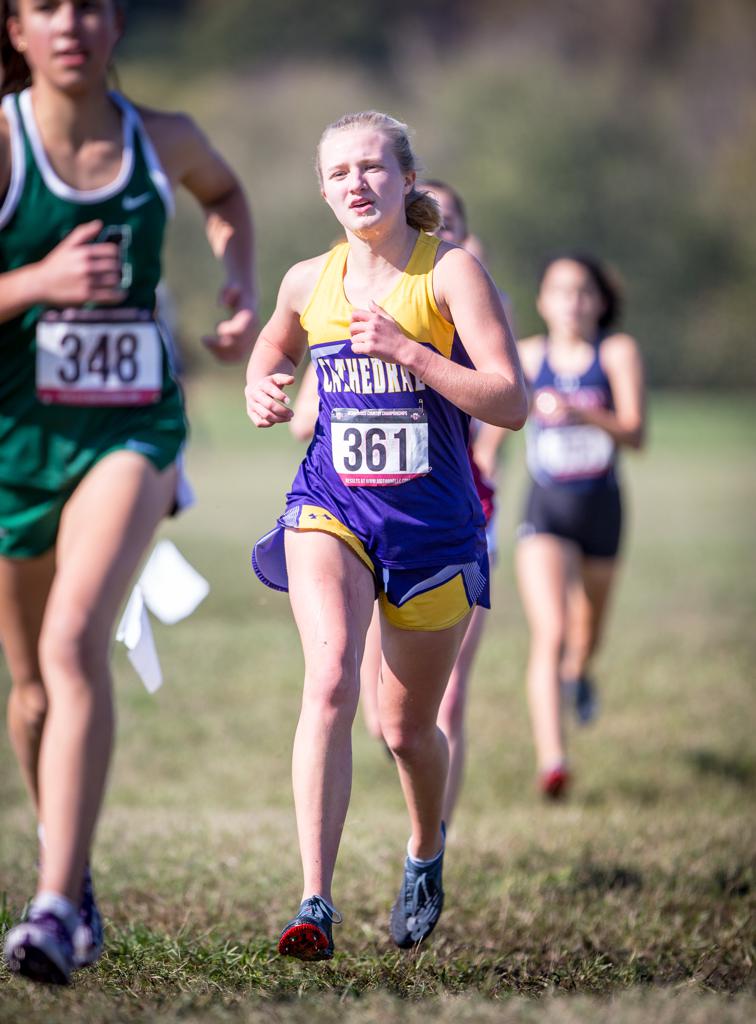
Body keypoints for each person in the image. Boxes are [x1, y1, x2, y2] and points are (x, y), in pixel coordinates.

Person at [0, 0, 257, 985]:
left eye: (91, 4)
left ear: (115, 25)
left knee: (74, 642)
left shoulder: (166, 138)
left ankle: (55, 904)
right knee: (29, 692)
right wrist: (39, 281)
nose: (71, 22)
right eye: (45, 7)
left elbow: (225, 192)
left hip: (131, 425)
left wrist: (239, 285)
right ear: (16, 31)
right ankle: (76, 869)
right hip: (15, 440)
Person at [246, 111, 526, 960]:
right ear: (323, 189)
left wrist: (411, 352)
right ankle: (314, 902)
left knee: (406, 730)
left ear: (408, 179)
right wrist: (264, 383)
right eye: (339, 173)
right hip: (332, 507)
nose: (356, 184)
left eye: (372, 168)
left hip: (435, 528)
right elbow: (271, 347)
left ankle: (424, 850)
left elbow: (511, 401)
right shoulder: (307, 280)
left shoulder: (449, 275)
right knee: (330, 676)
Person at [289, 178, 509, 825]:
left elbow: (503, 399)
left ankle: (434, 829)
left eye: (448, 224)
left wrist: (413, 358)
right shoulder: (345, 292)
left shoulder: (468, 296)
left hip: (454, 512)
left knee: (445, 701)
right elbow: (310, 407)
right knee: (356, 692)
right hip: (355, 512)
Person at [515, 252, 645, 799]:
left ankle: (580, 674)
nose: (572, 301)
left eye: (583, 291)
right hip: (545, 510)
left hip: (603, 510)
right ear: (542, 301)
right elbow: (496, 423)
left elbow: (636, 435)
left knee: (586, 635)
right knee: (551, 632)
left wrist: (579, 409)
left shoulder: (615, 353)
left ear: (599, 301)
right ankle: (553, 760)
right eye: (560, 290)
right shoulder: (526, 355)